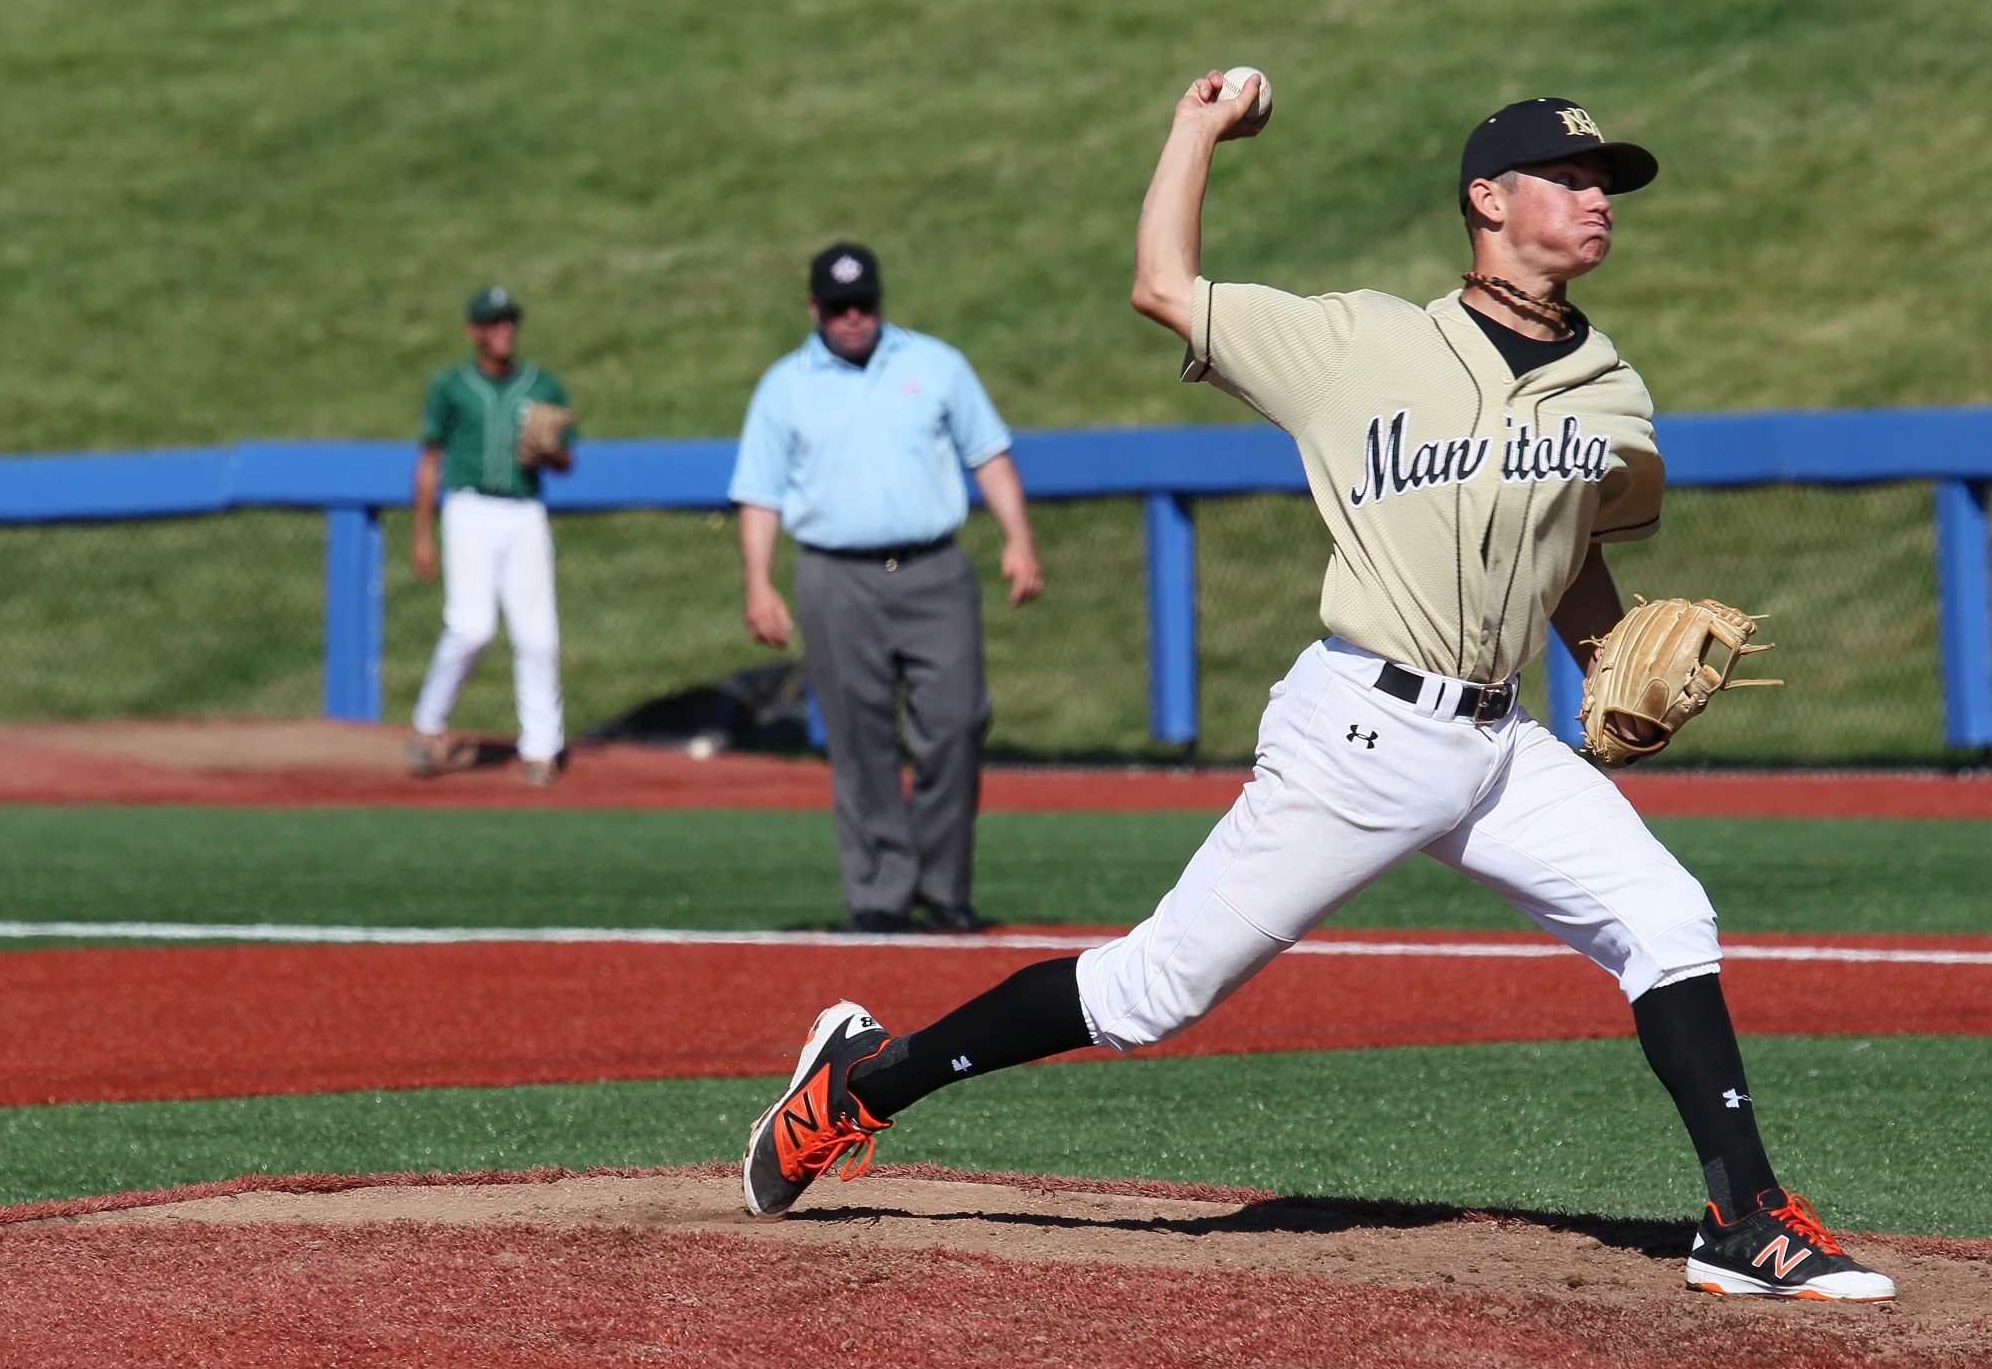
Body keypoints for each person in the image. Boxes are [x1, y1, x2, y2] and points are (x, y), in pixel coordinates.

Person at [737, 83, 1898, 1304]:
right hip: (1362, 730)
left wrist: (1612, 660)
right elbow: (1163, 285)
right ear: (1488, 200)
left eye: (1606, 181)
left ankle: (1745, 1219)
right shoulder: (1361, 343)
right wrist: (1195, 131)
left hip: (1499, 743)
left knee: (1665, 917)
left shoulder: (1613, 391)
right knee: (1149, 994)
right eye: (1568, 177)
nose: (1597, 198)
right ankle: (862, 1083)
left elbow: (1571, 557)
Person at [731, 243, 1045, 934]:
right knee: (858, 736)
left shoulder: (935, 364)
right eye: (836, 306)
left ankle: (944, 889)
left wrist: (1018, 538)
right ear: (813, 308)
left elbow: (988, 453)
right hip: (835, 576)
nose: (851, 317)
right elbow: (758, 493)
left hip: (934, 569)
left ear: (879, 301)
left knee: (957, 722)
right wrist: (759, 582)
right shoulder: (784, 386)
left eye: (863, 303)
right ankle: (880, 892)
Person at [405, 286, 577, 787]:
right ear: (474, 331)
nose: (504, 329)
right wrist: (422, 534)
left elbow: (566, 461)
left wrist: (550, 452)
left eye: (509, 321)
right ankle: (428, 724)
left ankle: (540, 750)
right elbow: (429, 460)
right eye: (494, 322)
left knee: (537, 635)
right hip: (469, 509)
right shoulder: (450, 386)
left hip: (524, 513)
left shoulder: (542, 384)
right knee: (471, 627)